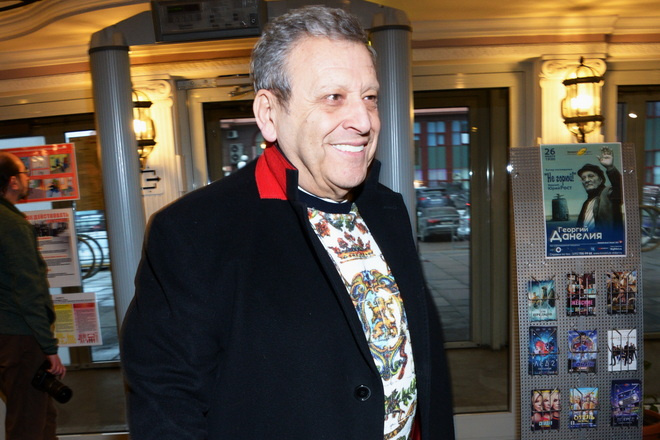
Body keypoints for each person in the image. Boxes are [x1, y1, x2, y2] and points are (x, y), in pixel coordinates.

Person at [120, 5, 454, 440]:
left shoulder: (388, 209)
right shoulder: (192, 232)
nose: (363, 121)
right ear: (269, 113)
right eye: (334, 97)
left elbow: (422, 363)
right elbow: (167, 409)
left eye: (369, 97)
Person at [0, 152, 66, 440]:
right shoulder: (11, 224)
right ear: (13, 182)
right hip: (20, 337)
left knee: (42, 416)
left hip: (6, 336)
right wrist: (48, 346)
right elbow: (28, 289)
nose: (29, 179)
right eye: (25, 174)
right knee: (28, 422)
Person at [576, 146, 623, 232]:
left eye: (591, 176)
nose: (586, 180)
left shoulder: (608, 193)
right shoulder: (586, 203)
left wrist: (610, 168)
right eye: (583, 178)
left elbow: (620, 188)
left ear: (601, 180)